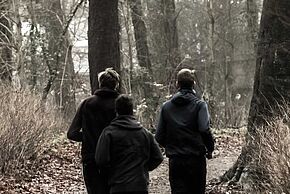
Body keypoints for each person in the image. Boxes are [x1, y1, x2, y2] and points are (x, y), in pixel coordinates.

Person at [155, 68, 214, 194]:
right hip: (196, 159)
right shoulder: (200, 105)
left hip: (176, 160)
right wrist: (210, 148)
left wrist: (171, 145)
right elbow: (204, 129)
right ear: (193, 84)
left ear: (177, 84)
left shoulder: (166, 107)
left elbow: (159, 136)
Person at [95, 95, 163, 194]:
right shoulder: (144, 133)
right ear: (132, 110)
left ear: (116, 111)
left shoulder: (108, 133)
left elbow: (100, 160)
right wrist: (143, 169)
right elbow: (158, 157)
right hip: (140, 186)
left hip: (118, 186)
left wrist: (111, 173)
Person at [67, 68, 120, 194]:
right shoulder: (121, 104)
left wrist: (88, 137)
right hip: (116, 159)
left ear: (100, 83)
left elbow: (72, 133)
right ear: (116, 85)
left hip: (91, 159)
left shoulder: (87, 103)